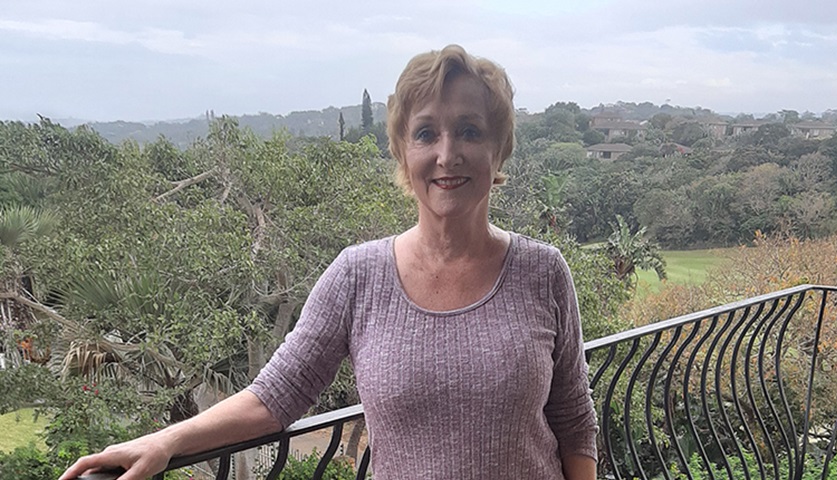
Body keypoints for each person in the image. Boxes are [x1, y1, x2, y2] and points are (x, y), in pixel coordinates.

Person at [61, 44, 598, 480]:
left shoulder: (542, 272)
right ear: (402, 153)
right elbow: (274, 398)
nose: (446, 153)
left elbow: (574, 424)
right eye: (426, 132)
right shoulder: (358, 276)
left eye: (470, 130)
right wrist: (165, 439)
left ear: (498, 149)